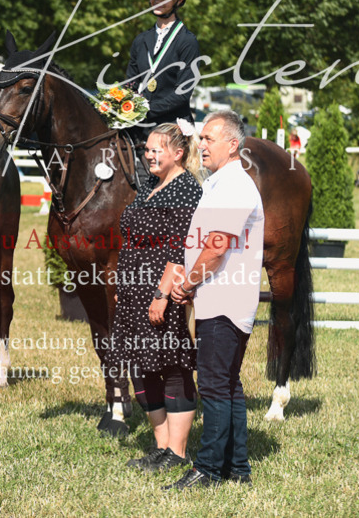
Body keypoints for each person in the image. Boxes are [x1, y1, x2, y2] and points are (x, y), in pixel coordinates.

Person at [167, 109, 264, 490]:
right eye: (201, 137)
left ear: (232, 144)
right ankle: (237, 469)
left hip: (225, 298)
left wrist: (187, 284)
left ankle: (207, 469)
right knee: (227, 385)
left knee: (212, 385)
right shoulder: (218, 183)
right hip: (217, 297)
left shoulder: (236, 186)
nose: (201, 144)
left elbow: (216, 249)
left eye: (209, 138)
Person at [110, 120, 203, 473]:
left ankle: (177, 452)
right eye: (147, 149)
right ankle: (161, 448)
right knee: (142, 364)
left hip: (162, 290)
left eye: (156, 149)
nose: (148, 155)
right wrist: (124, 287)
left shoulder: (186, 190)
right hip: (134, 290)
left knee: (172, 366)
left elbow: (180, 249)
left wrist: (162, 294)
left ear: (178, 153)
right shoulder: (150, 184)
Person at [124, 0, 201, 188]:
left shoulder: (187, 42)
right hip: (139, 127)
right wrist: (119, 104)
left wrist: (145, 109)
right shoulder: (141, 40)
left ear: (180, 0)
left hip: (172, 127)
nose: (157, 0)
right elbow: (131, 82)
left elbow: (182, 95)